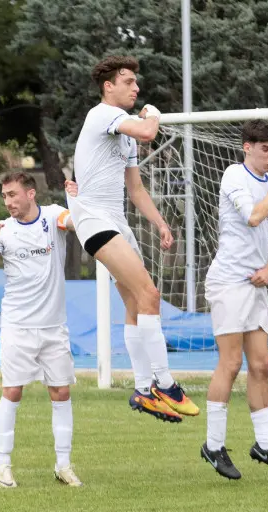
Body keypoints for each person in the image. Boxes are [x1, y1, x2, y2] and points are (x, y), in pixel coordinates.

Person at [68, 54, 198, 422]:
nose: (136, 88)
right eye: (128, 82)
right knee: (150, 295)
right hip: (95, 221)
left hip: (117, 221)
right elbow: (148, 131)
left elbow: (136, 188)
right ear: (108, 87)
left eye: (136, 83)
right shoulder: (102, 114)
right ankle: (166, 384)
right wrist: (152, 112)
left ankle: (143, 391)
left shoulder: (122, 130)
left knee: (135, 305)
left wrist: (160, 223)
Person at [199, 120, 268, 481]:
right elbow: (255, 215)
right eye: (265, 149)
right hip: (228, 282)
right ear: (247, 147)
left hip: (255, 286)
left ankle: (266, 445)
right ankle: (213, 446)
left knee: (261, 364)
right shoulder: (233, 175)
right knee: (229, 363)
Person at [0, 172, 81, 488]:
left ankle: (63, 465)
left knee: (61, 392)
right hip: (17, 326)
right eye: (4, 196)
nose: (8, 202)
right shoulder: (2, 230)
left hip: (53, 326)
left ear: (30, 194)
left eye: (13, 194)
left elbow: (75, 223)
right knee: (12, 391)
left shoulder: (52, 216)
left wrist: (76, 200)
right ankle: (3, 465)